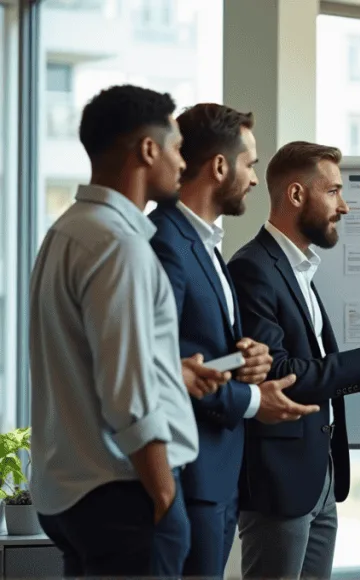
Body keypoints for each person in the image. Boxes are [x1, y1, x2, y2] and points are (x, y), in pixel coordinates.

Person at [28, 84, 230, 578]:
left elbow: (92, 358)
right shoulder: (120, 244)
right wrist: (164, 495)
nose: (184, 164)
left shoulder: (68, 230)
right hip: (126, 494)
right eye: (178, 148)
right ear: (147, 150)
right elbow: (129, 395)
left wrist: (171, 371)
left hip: (70, 494)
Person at [227, 141, 360, 579]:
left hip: (321, 476)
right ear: (297, 195)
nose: (345, 207)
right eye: (333, 191)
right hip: (279, 483)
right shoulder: (253, 268)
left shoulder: (298, 269)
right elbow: (274, 375)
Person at [148, 103, 321, 577]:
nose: (251, 178)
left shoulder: (204, 243)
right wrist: (250, 398)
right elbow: (161, 366)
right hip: (191, 476)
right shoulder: (165, 241)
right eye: (249, 164)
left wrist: (244, 357)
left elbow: (199, 350)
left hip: (220, 477)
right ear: (220, 166)